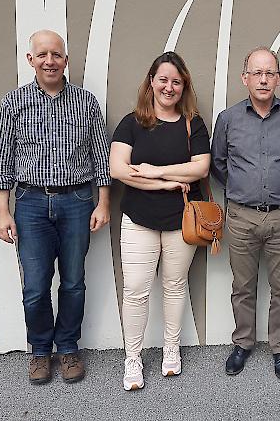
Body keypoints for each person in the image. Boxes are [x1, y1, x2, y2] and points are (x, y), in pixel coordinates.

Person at [0, 29, 111, 384]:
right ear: (31, 60)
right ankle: (40, 351)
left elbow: (101, 159)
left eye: (56, 54)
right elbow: (1, 162)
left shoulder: (86, 102)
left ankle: (68, 347)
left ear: (66, 60)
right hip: (30, 203)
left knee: (73, 282)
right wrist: (3, 211)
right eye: (42, 55)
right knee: (36, 286)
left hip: (77, 201)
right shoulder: (14, 103)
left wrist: (102, 204)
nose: (50, 61)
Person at [110, 52, 210, 391]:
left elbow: (200, 168)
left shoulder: (192, 123)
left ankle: (171, 350)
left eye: (176, 82)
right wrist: (167, 183)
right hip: (139, 219)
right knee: (136, 290)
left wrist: (155, 170)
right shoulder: (132, 123)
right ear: (151, 81)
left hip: (181, 221)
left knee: (174, 285)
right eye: (163, 79)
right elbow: (119, 170)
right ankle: (133, 358)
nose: (169, 87)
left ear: (184, 87)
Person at [211, 47, 280, 380]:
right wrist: (245, 190)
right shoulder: (228, 119)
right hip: (240, 217)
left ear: (278, 78)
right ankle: (243, 343)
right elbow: (219, 164)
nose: (264, 79)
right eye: (257, 73)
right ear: (245, 78)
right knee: (243, 286)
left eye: (270, 73)